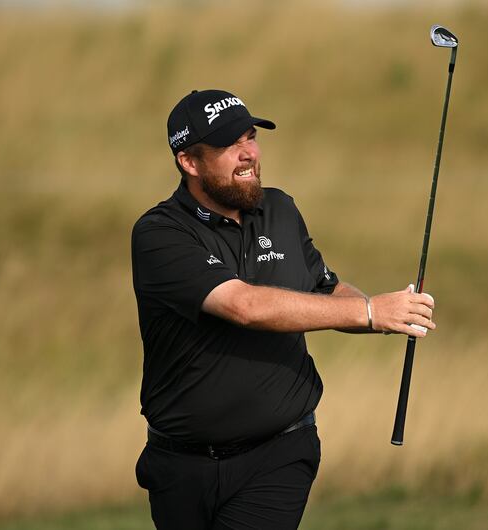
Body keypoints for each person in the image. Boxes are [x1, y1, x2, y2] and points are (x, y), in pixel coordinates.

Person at [130, 89, 435, 530]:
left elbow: (323, 289)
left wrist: (390, 312)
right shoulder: (160, 233)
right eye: (228, 146)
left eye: (251, 137)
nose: (249, 153)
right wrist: (369, 312)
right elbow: (243, 305)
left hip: (279, 452)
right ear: (189, 162)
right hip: (180, 465)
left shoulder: (280, 209)